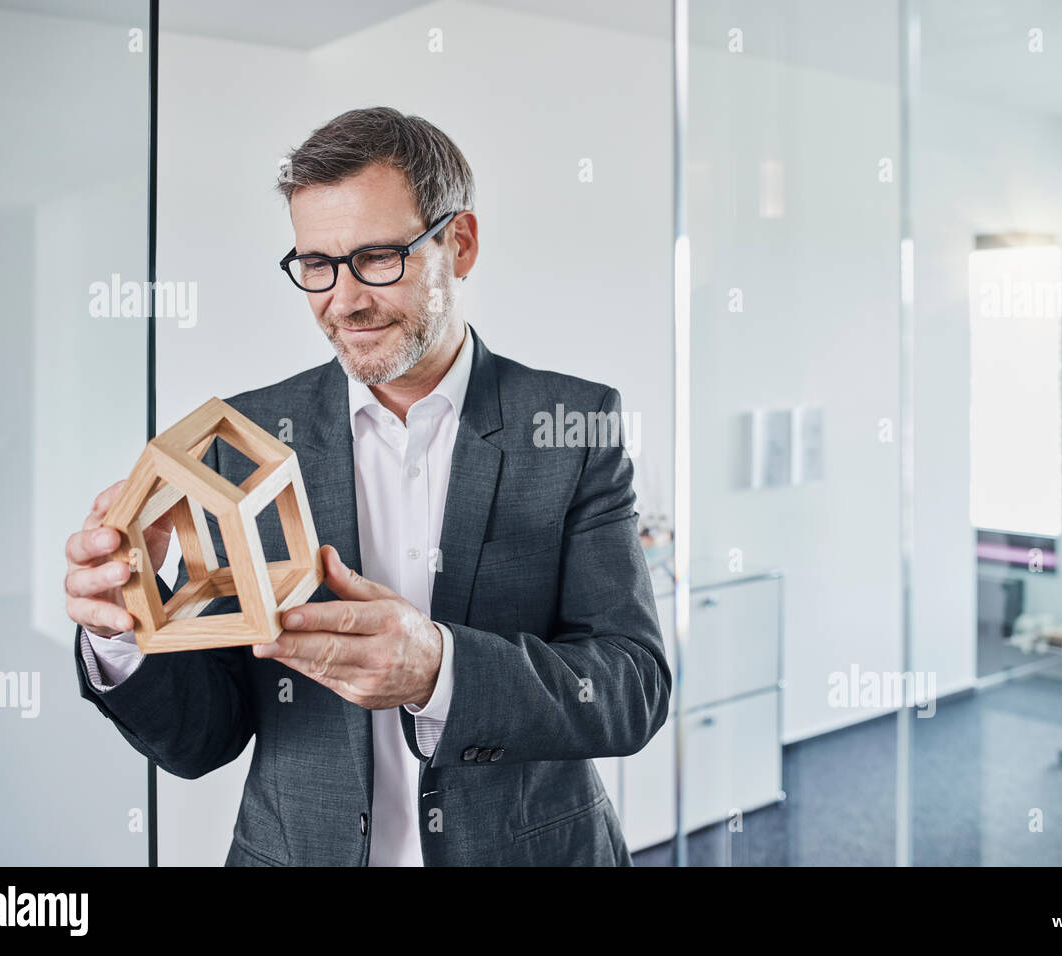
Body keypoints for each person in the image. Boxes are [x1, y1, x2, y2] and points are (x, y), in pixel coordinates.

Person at [63, 106, 670, 866]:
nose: (343, 300)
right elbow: (200, 740)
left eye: (378, 257)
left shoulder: (575, 424)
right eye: (316, 264)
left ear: (461, 243)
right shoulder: (244, 441)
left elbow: (631, 686)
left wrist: (441, 669)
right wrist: (122, 636)